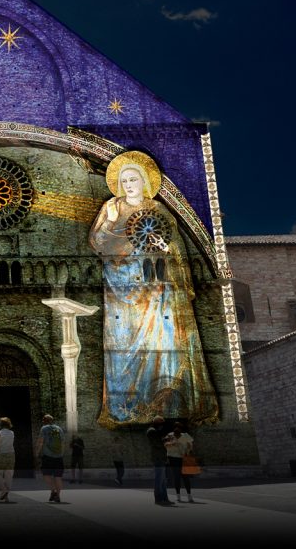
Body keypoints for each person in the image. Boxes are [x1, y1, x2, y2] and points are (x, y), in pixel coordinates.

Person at [89, 150, 219, 427]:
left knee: (163, 343)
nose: (128, 185)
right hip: (121, 290)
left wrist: (164, 247)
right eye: (124, 181)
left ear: (145, 180)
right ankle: (128, 407)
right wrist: (111, 220)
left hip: (157, 288)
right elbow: (99, 244)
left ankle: (168, 404)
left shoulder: (158, 209)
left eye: (134, 179)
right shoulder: (110, 208)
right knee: (124, 347)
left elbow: (174, 245)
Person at [35, 413, 65, 503]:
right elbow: (63, 442)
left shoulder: (44, 428)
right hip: (59, 457)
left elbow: (40, 442)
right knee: (58, 477)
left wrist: (37, 453)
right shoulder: (59, 429)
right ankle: (58, 496)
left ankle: (53, 490)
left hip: (47, 456)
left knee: (46, 475)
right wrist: (61, 454)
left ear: (44, 421)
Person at [164, 421, 195, 502]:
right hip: (173, 458)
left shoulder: (185, 435)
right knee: (176, 477)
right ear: (174, 428)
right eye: (176, 427)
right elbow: (165, 444)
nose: (177, 428)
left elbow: (191, 447)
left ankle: (189, 495)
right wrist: (172, 443)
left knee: (186, 477)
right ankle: (178, 495)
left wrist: (189, 448)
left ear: (181, 429)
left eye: (179, 427)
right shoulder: (170, 435)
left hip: (184, 458)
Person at [146, 415, 174, 506]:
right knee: (159, 479)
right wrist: (166, 441)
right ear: (157, 422)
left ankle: (164, 498)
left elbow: (159, 441)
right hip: (158, 457)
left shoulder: (155, 431)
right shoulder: (151, 431)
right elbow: (157, 443)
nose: (162, 425)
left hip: (161, 457)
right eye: (161, 423)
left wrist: (165, 440)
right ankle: (158, 499)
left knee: (162, 480)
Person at [0, 416, 17, 503]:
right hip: (11, 455)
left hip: (2, 455)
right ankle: (6, 496)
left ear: (1, 424)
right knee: (9, 475)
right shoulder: (12, 433)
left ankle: (3, 490)